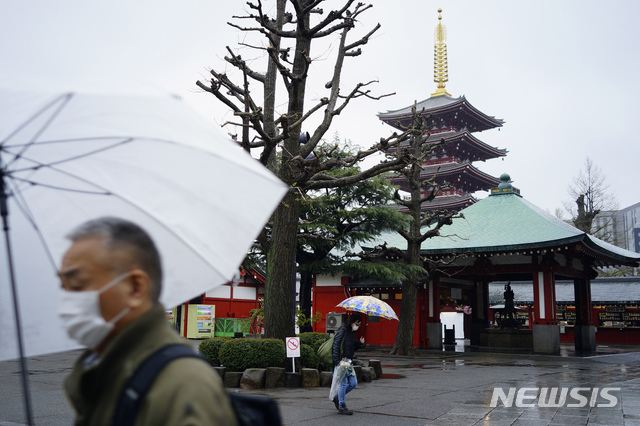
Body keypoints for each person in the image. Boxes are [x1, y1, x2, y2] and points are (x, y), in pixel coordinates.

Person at [58, 217, 238, 426]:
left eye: (78, 285)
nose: (66, 299)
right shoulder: (103, 366)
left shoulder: (184, 385)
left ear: (135, 287)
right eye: (63, 287)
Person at [331, 313, 365, 415]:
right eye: (357, 323)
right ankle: (342, 405)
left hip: (348, 361)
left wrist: (360, 343)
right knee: (344, 382)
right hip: (342, 361)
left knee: (353, 383)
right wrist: (337, 360)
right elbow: (336, 344)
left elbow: (352, 347)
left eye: (359, 324)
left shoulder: (351, 332)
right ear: (352, 322)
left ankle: (337, 398)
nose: (358, 326)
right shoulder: (343, 330)